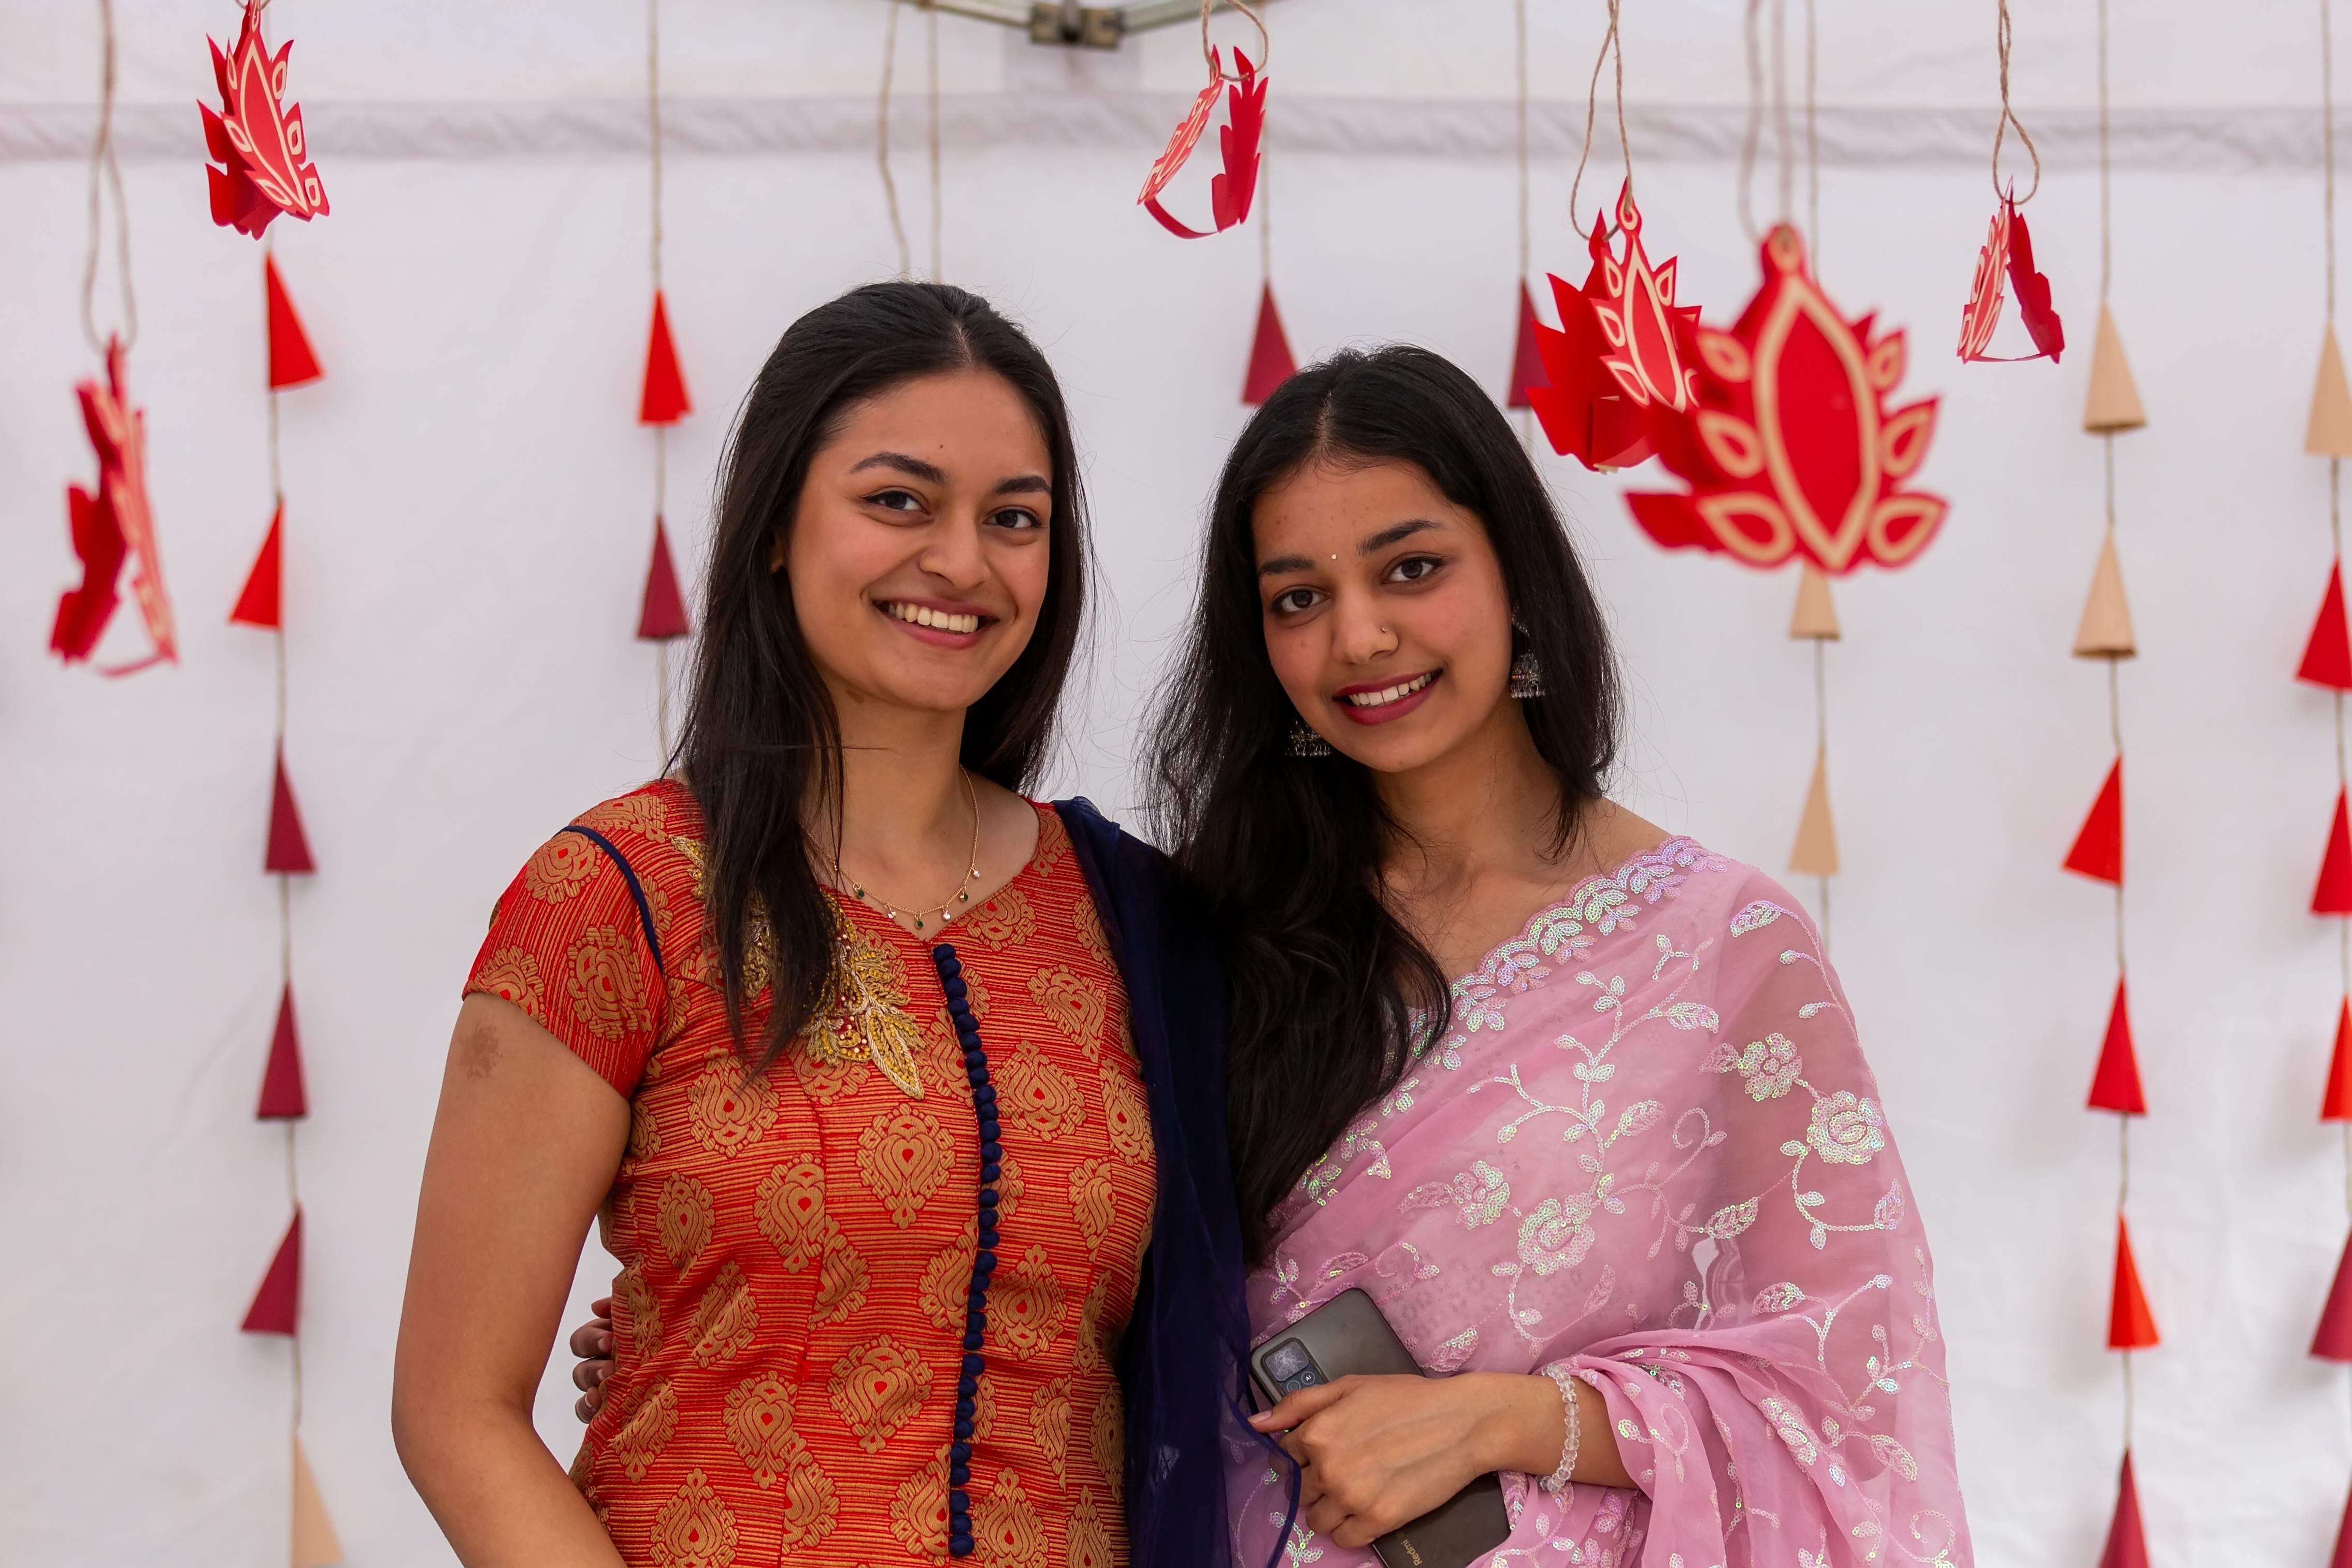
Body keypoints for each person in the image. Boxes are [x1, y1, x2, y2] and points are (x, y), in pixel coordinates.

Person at [392, 281, 1250, 1568]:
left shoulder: (1131, 918)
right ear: (775, 529)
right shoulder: (622, 892)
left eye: (1012, 518)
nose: (960, 561)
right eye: (898, 500)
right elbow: (456, 1409)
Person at [1150, 345, 1970, 1568]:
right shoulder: (1205, 929)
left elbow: (1845, 1395)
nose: (1358, 634)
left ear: (1517, 578)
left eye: (1410, 568)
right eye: (1298, 598)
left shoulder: (1722, 949)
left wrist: (1502, 1416)